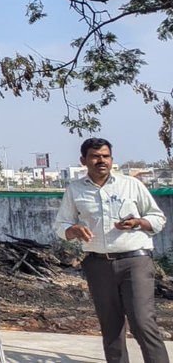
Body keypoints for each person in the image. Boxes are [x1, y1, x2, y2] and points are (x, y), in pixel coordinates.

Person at [54, 138, 169, 363]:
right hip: (98, 264)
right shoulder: (75, 190)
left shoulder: (131, 185)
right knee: (111, 327)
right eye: (95, 157)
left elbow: (157, 217)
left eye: (105, 156)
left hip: (135, 261)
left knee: (142, 322)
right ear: (83, 160)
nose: (101, 161)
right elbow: (61, 226)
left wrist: (137, 222)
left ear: (112, 159)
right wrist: (74, 230)